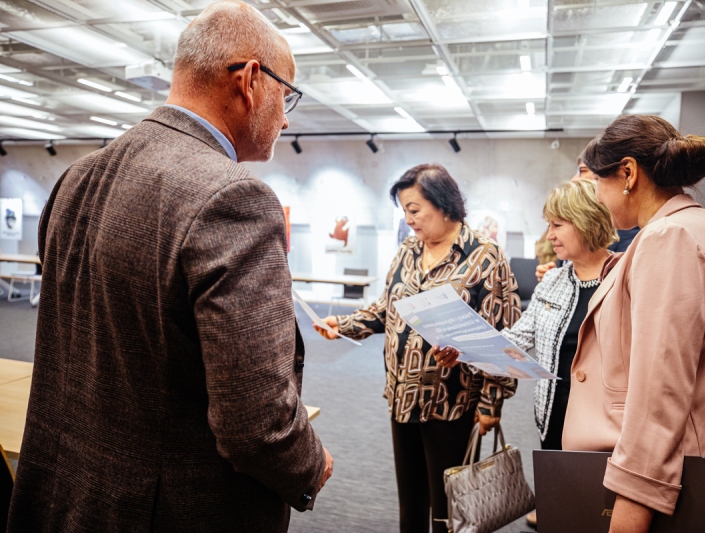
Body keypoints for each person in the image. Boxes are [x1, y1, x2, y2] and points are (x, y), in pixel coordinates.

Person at [8, 2, 332, 532]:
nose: (287, 116)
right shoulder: (234, 197)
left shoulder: (77, 177)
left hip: (66, 498)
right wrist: (311, 465)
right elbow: (255, 423)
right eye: (287, 94)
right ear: (251, 80)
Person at [562, 115, 705, 532]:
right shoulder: (703, 229)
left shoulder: (668, 239)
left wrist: (628, 517)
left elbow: (659, 394)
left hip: (664, 478)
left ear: (627, 173)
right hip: (690, 462)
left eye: (598, 181)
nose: (596, 196)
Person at [314, 163, 522, 533]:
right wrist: (342, 325)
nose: (408, 220)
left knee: (448, 509)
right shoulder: (409, 249)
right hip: (403, 395)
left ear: (444, 205)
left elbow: (503, 334)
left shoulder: (485, 256)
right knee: (410, 504)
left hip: (452, 401)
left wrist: (492, 403)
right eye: (404, 211)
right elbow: (386, 308)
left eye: (414, 210)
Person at [437, 179, 618, 529]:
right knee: (560, 513)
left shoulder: (625, 281)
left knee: (597, 518)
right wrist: (463, 350)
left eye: (557, 225)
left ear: (586, 220)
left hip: (604, 431)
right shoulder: (552, 282)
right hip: (552, 419)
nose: (549, 235)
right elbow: (516, 339)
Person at [536, 152, 639, 281]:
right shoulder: (567, 249)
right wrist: (556, 279)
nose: (574, 178)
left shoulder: (627, 229)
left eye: (582, 171)